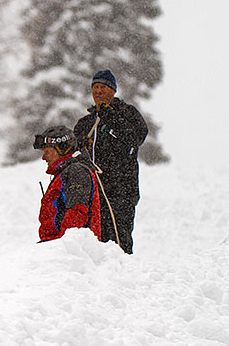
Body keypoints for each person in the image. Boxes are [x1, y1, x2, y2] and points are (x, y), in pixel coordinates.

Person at [73, 70, 147, 254]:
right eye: (95, 87)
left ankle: (123, 275)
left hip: (121, 189)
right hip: (92, 191)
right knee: (93, 239)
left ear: (113, 90)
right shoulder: (85, 123)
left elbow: (136, 137)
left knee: (119, 237)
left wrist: (111, 118)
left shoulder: (127, 114)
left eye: (103, 87)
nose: (98, 91)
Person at [34, 126, 102, 243]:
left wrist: (64, 247)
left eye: (47, 152)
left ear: (62, 149)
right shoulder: (65, 172)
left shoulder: (76, 171)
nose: (43, 157)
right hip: (59, 246)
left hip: (70, 250)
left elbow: (77, 214)